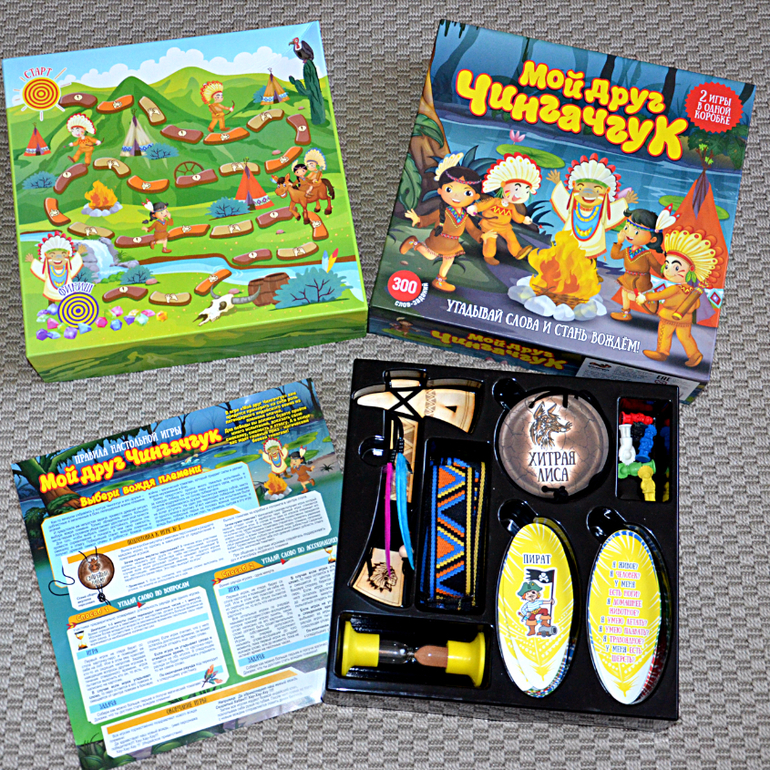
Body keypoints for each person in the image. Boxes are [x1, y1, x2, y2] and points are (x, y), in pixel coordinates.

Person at [400, 153, 482, 292]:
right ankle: (414, 242)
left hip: (452, 244)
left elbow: (472, 229)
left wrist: (482, 236)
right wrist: (418, 219)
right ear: (440, 190)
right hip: (439, 240)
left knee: (448, 261)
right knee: (430, 256)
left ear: (476, 196)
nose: (457, 196)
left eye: (467, 193)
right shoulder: (443, 211)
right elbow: (428, 219)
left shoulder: (465, 215)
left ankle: (440, 281)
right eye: (449, 190)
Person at [637, 228, 718, 368]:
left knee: (664, 334)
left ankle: (662, 352)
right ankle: (694, 354)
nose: (668, 270)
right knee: (685, 337)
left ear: (690, 270)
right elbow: (696, 305)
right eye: (666, 265)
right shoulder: (693, 292)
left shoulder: (675, 288)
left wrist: (645, 297)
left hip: (669, 317)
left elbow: (660, 295)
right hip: (685, 319)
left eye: (676, 268)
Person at [548, 153, 637, 259]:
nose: (588, 194)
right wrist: (558, 183)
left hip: (593, 248)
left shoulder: (603, 211)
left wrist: (625, 201)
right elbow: (561, 199)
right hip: (568, 245)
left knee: (588, 263)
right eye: (580, 188)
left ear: (607, 191)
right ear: (574, 186)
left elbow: (614, 213)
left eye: (597, 190)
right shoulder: (572, 206)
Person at [470, 153, 541, 265]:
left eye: (526, 191)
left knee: (511, 238)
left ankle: (518, 252)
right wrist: (475, 207)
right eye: (516, 189)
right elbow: (483, 205)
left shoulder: (511, 206)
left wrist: (523, 219)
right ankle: (488, 256)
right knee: (490, 241)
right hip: (489, 225)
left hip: (505, 227)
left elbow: (516, 216)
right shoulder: (495, 201)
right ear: (503, 185)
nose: (519, 195)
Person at [610, 207, 677, 322]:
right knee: (625, 294)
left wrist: (665, 271)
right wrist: (619, 242)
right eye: (626, 228)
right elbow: (615, 256)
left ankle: (651, 301)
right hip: (628, 278)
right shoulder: (627, 251)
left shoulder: (646, 254)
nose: (628, 233)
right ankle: (626, 313)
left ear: (652, 239)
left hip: (640, 281)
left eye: (636, 232)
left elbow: (656, 266)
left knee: (635, 297)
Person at [30, 231, 83, 303]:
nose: (58, 258)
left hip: (66, 288)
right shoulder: (47, 269)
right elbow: (39, 268)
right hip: (50, 289)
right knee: (51, 301)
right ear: (46, 256)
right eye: (52, 255)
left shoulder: (67, 268)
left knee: (68, 301)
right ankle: (51, 307)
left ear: (68, 254)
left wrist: (78, 254)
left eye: (63, 255)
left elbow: (74, 264)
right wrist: (33, 261)